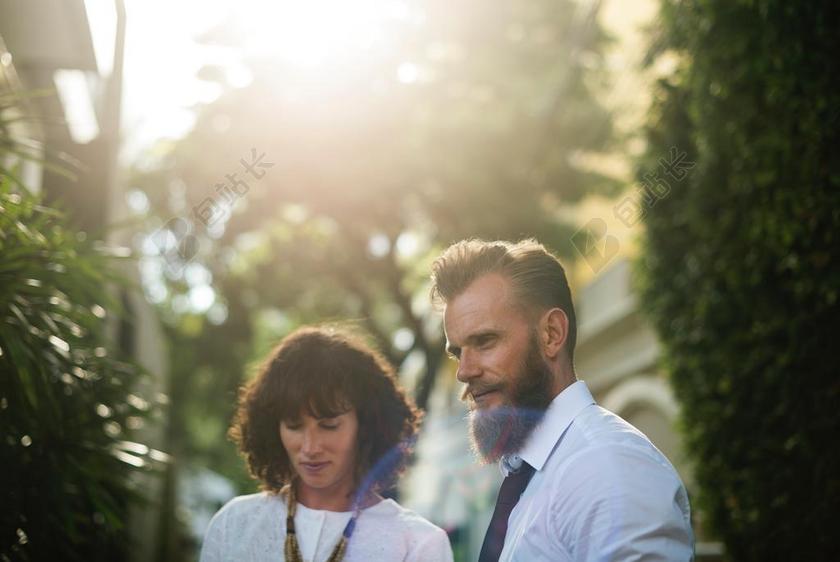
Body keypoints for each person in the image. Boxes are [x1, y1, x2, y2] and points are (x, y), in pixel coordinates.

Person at [430, 239, 694, 562]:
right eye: (457, 353)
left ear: (552, 334)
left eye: (485, 341)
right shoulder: (532, 474)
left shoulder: (608, 467)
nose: (464, 371)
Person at [200, 326, 454, 562]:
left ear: (366, 426)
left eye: (329, 425)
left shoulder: (418, 544)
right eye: (294, 426)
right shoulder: (234, 524)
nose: (310, 448)